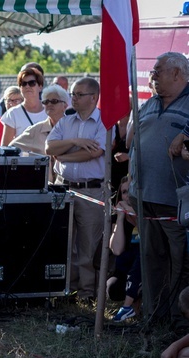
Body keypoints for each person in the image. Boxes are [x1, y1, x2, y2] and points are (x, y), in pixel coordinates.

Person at [138, 52, 189, 325]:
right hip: (145, 197)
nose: (153, 75)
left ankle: (179, 321)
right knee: (151, 260)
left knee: (179, 263)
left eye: (158, 70)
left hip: (178, 202)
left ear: (177, 74)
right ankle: (153, 317)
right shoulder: (151, 103)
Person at [46, 77, 106, 302]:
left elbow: (94, 153)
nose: (74, 98)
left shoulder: (102, 121)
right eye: (72, 94)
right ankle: (66, 288)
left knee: (87, 245)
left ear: (93, 97)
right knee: (64, 242)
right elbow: (48, 147)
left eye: (79, 94)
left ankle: (86, 293)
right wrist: (77, 140)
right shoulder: (65, 121)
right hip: (63, 188)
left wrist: (63, 155)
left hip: (91, 191)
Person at [9, 84, 68, 182]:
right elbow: (12, 148)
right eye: (46, 102)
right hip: (46, 190)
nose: (49, 104)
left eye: (54, 101)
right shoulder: (36, 130)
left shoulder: (74, 127)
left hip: (72, 187)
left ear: (65, 105)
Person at [108, 177, 141, 322]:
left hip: (143, 271)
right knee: (112, 287)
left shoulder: (147, 214)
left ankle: (129, 307)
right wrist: (121, 219)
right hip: (124, 270)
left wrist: (134, 215)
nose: (127, 195)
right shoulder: (121, 216)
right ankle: (131, 306)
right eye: (124, 192)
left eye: (130, 190)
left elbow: (148, 236)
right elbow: (116, 250)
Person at [1, 68, 46, 146]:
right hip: (22, 157)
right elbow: (5, 147)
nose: (27, 86)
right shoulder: (12, 114)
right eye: (23, 84)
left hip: (46, 157)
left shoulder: (50, 111)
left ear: (40, 86)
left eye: (32, 83)